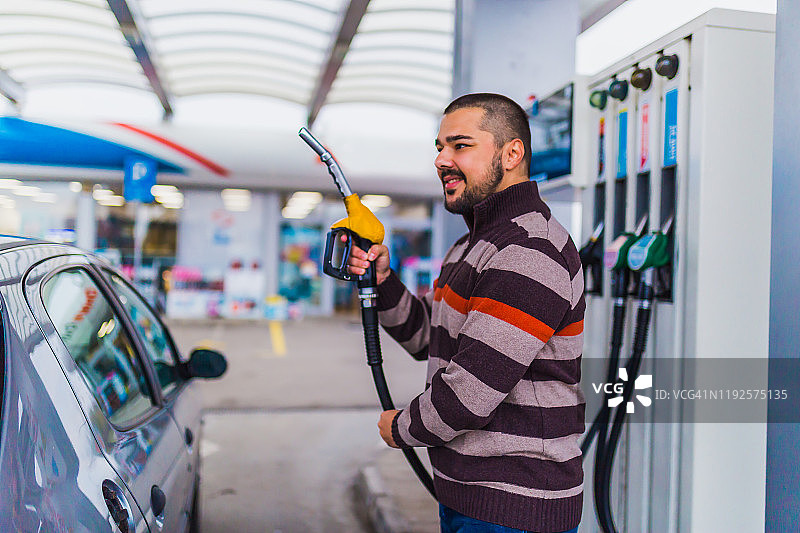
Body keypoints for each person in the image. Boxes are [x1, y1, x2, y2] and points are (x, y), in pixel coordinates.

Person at [347, 93, 585, 533]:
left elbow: (468, 395)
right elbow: (429, 339)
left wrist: (402, 427)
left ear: (512, 153)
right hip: (472, 496)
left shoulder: (527, 250)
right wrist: (382, 282)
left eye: (460, 145)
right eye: (439, 147)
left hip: (515, 506)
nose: (441, 159)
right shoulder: (471, 246)